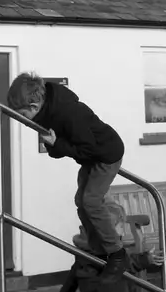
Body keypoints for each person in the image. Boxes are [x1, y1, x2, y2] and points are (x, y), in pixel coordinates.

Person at [7, 72, 129, 276]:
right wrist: (54, 145)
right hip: (89, 157)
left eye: (22, 116)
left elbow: (86, 148)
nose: (23, 121)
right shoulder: (45, 115)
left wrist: (58, 144)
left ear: (33, 107)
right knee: (81, 201)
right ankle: (99, 251)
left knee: (91, 201)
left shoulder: (68, 112)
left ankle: (117, 253)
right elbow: (59, 151)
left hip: (106, 155)